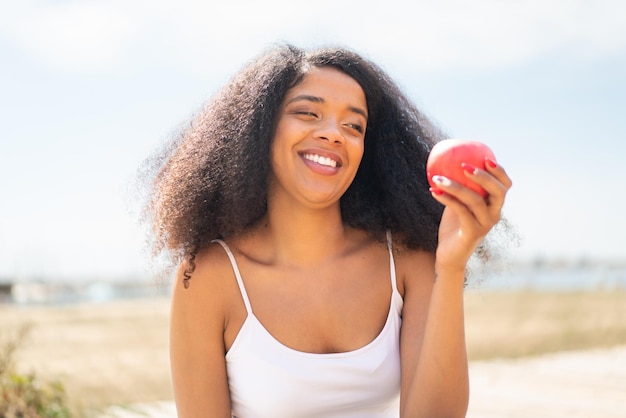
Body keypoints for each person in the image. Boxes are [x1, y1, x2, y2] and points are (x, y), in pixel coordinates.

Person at [140, 44, 512, 417]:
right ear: (260, 130)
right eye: (307, 112)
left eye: (354, 125)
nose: (334, 134)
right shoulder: (209, 275)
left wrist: (450, 267)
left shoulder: (406, 260)